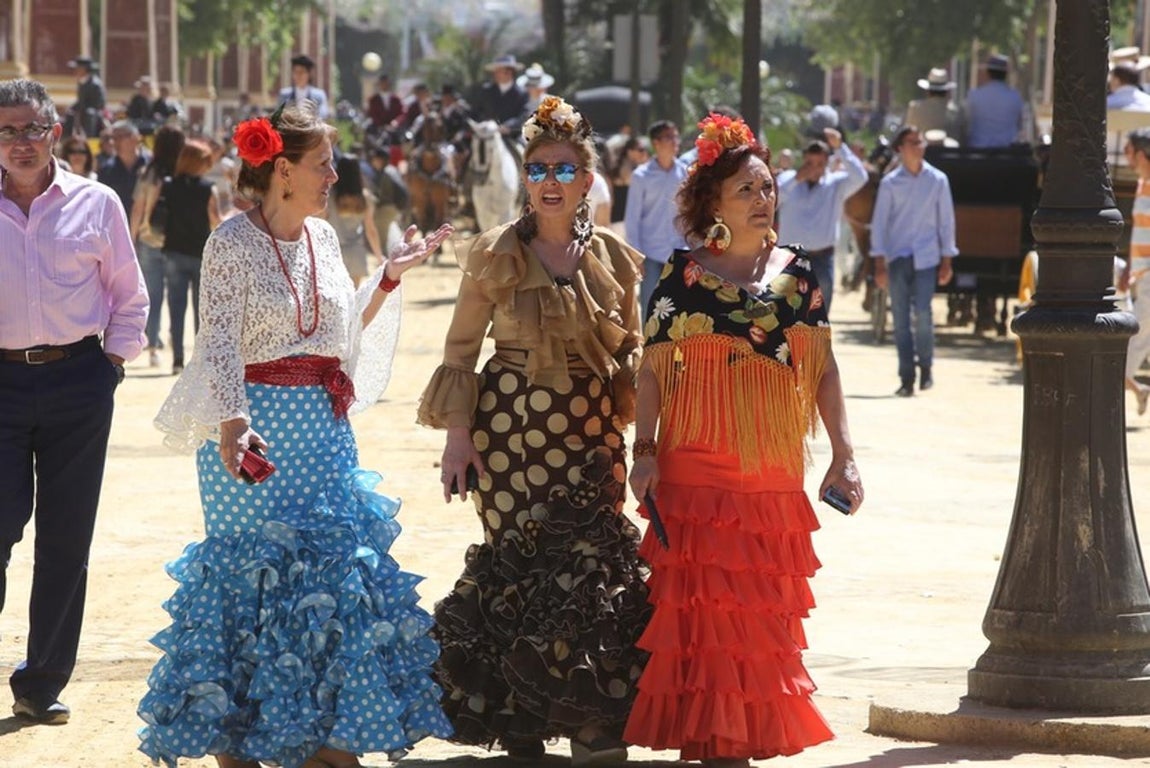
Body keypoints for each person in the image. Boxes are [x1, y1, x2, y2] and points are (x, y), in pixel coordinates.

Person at [139, 102, 454, 768]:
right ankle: (248, 747)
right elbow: (218, 340)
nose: (334, 175)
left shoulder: (325, 239)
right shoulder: (230, 240)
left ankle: (324, 745)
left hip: (325, 438)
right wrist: (233, 420)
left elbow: (338, 337)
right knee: (254, 591)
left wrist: (390, 276)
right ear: (282, 170)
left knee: (333, 590)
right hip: (254, 443)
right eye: (323, 163)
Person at [623, 112, 863, 768]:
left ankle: (733, 753)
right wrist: (643, 456)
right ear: (714, 205)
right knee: (703, 639)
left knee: (756, 637)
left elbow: (825, 368)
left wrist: (845, 454)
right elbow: (651, 373)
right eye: (747, 191)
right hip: (694, 476)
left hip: (769, 482)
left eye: (766, 188)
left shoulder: (799, 275)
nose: (764, 199)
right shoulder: (683, 278)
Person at [417, 94, 650, 766]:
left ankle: (593, 720)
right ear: (527, 179)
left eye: (564, 170)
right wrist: (458, 437)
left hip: (592, 434)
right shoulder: (493, 254)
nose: (551, 181)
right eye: (539, 169)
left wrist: (644, 427)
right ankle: (518, 717)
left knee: (591, 566)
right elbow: (460, 354)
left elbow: (632, 353)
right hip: (510, 439)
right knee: (520, 566)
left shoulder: (614, 257)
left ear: (586, 180)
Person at [0, 77, 148, 725]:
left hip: (79, 383)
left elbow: (128, 294)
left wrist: (109, 366)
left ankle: (41, 681)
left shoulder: (99, 203)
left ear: (55, 133)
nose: (19, 142)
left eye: (31, 128)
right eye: (6, 130)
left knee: (66, 540)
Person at [871, 125, 958, 396]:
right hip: (898, 257)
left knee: (923, 313)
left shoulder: (938, 180)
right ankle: (906, 376)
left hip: (927, 256)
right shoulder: (890, 183)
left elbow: (946, 221)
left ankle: (927, 367)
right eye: (912, 142)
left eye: (920, 142)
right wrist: (879, 263)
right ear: (900, 148)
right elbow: (880, 224)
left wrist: (947, 259)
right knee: (899, 319)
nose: (918, 146)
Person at [776, 127, 867, 315]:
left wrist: (840, 147)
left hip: (822, 259)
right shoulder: (787, 180)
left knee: (819, 317)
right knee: (785, 315)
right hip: (790, 259)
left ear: (826, 163)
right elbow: (773, 200)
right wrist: (797, 179)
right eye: (810, 162)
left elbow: (860, 177)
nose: (814, 168)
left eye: (819, 163)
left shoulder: (835, 185)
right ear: (803, 161)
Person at [161, 139, 222, 375]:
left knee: (176, 308)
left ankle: (177, 359)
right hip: (201, 252)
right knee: (202, 311)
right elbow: (215, 220)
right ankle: (200, 361)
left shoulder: (168, 185)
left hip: (174, 250)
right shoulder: (208, 188)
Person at [129, 124, 186, 367]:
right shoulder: (183, 174)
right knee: (177, 296)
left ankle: (152, 346)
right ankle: (177, 340)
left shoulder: (148, 173)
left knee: (151, 296)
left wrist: (131, 239)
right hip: (177, 243)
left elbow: (138, 209)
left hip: (149, 239)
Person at [624, 119, 690, 316]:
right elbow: (632, 218)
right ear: (656, 143)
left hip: (680, 251)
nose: (675, 141)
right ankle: (647, 347)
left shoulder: (686, 174)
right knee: (650, 308)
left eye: (676, 136)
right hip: (650, 254)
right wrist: (636, 256)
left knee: (679, 309)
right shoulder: (641, 176)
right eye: (669, 137)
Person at [1122, 128, 1150, 416]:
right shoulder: (1142, 183)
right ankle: (1137, 388)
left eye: (1128, 151)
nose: (1125, 157)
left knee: (1135, 338)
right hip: (1142, 276)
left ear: (1141, 154)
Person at [327, 155, 384, 285]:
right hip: (356, 252)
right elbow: (371, 230)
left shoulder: (329, 196)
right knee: (353, 298)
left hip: (333, 252)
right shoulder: (365, 198)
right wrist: (379, 257)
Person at [964, 54, 1024, 148]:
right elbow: (1019, 125)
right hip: (1007, 153)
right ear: (1006, 74)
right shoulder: (1015, 97)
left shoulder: (974, 95)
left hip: (977, 151)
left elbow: (966, 124)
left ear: (988, 72)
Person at [472, 54, 529, 146]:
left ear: (509, 72)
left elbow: (523, 115)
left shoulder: (522, 93)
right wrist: (483, 124)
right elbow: (476, 111)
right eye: (496, 71)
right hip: (487, 135)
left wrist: (508, 126)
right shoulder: (486, 91)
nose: (495, 74)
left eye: (499, 71)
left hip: (512, 136)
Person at [905, 68, 960, 139]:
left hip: (922, 149)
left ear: (928, 91)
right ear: (946, 91)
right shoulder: (955, 111)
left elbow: (908, 133)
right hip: (950, 150)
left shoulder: (915, 108)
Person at [278, 53, 330, 120]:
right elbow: (278, 116)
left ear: (309, 74)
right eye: (296, 72)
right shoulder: (284, 95)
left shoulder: (319, 95)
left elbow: (323, 114)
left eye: (302, 72)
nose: (298, 75)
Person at [66, 55, 107, 137]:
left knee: (89, 113)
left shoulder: (96, 84)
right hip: (83, 112)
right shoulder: (81, 82)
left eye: (77, 68)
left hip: (94, 115)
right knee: (69, 114)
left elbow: (100, 104)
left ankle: (89, 138)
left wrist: (84, 109)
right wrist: (71, 108)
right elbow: (81, 101)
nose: (75, 71)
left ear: (83, 69)